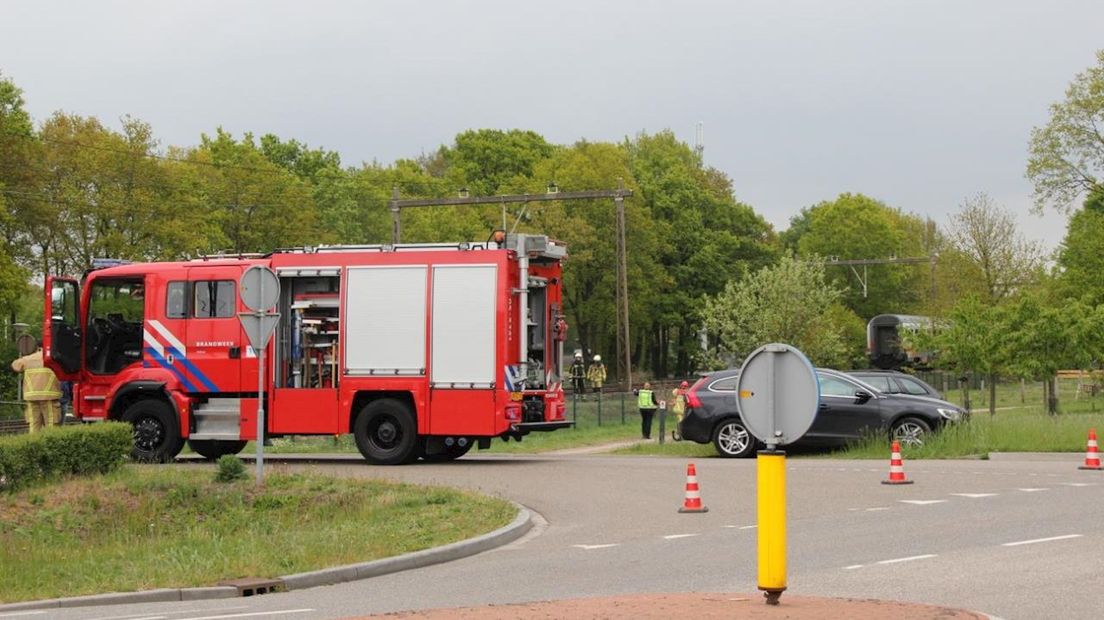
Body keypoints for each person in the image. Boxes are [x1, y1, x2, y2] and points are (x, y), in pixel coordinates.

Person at [11, 340, 62, 433]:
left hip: (31, 396)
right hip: (49, 396)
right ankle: (50, 446)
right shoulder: (55, 358)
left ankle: (34, 445)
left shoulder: (27, 359)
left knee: (34, 425)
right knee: (52, 425)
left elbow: (15, 366)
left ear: (37, 347)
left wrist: (26, 356)